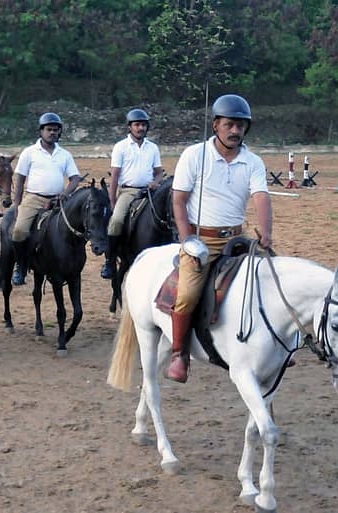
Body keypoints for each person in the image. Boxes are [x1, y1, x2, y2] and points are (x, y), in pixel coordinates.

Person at [167, 94, 272, 383]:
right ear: (215, 125)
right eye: (229, 124)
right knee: (188, 294)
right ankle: (179, 354)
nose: (235, 131)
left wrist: (266, 233)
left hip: (238, 238)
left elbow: (261, 197)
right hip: (202, 239)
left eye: (241, 125)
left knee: (269, 279)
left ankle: (272, 347)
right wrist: (188, 241)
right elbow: (179, 200)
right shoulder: (194, 155)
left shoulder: (253, 161)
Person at [9, 112, 81, 286]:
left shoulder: (64, 154)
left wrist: (66, 193)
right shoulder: (29, 152)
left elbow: (75, 178)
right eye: (49, 129)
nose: (52, 133)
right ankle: (20, 266)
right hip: (34, 198)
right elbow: (20, 178)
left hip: (59, 200)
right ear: (41, 131)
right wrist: (17, 204)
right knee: (19, 231)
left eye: (56, 130)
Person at [100, 108, 165, 279]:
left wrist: (156, 182)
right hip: (128, 191)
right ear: (130, 127)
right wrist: (112, 200)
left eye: (143, 125)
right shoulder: (121, 147)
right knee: (116, 220)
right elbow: (115, 176)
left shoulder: (153, 147)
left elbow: (159, 172)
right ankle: (110, 261)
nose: (140, 128)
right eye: (137, 125)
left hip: (150, 191)